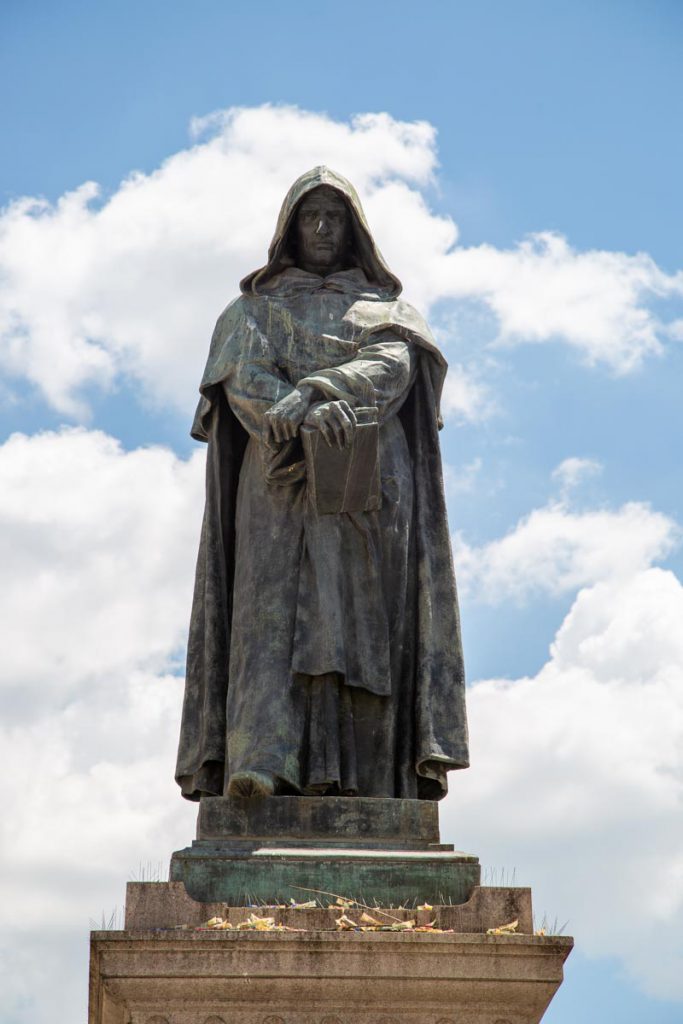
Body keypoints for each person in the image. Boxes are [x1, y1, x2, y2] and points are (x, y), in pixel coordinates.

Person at [175, 166, 469, 802]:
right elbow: (243, 378)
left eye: (335, 216)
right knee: (268, 615)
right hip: (279, 481)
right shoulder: (251, 311)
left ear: (355, 229)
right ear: (289, 229)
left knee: (363, 623)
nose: (323, 228)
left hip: (369, 484)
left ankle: (371, 775)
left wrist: (317, 389)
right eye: (310, 216)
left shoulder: (390, 312)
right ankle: (261, 759)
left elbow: (393, 364)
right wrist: (300, 414)